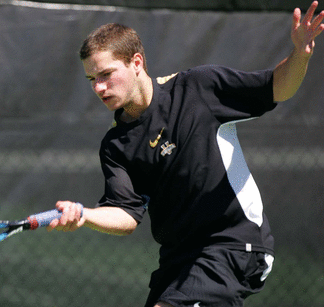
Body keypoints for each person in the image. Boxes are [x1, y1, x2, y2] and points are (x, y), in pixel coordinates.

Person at [47, 2, 324, 306]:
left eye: (106, 75)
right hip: (179, 262)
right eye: (91, 80)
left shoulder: (198, 87)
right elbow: (126, 213)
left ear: (136, 62)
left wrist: (300, 54)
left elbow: (277, 88)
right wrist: (85, 215)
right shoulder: (116, 145)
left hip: (233, 244)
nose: (99, 88)